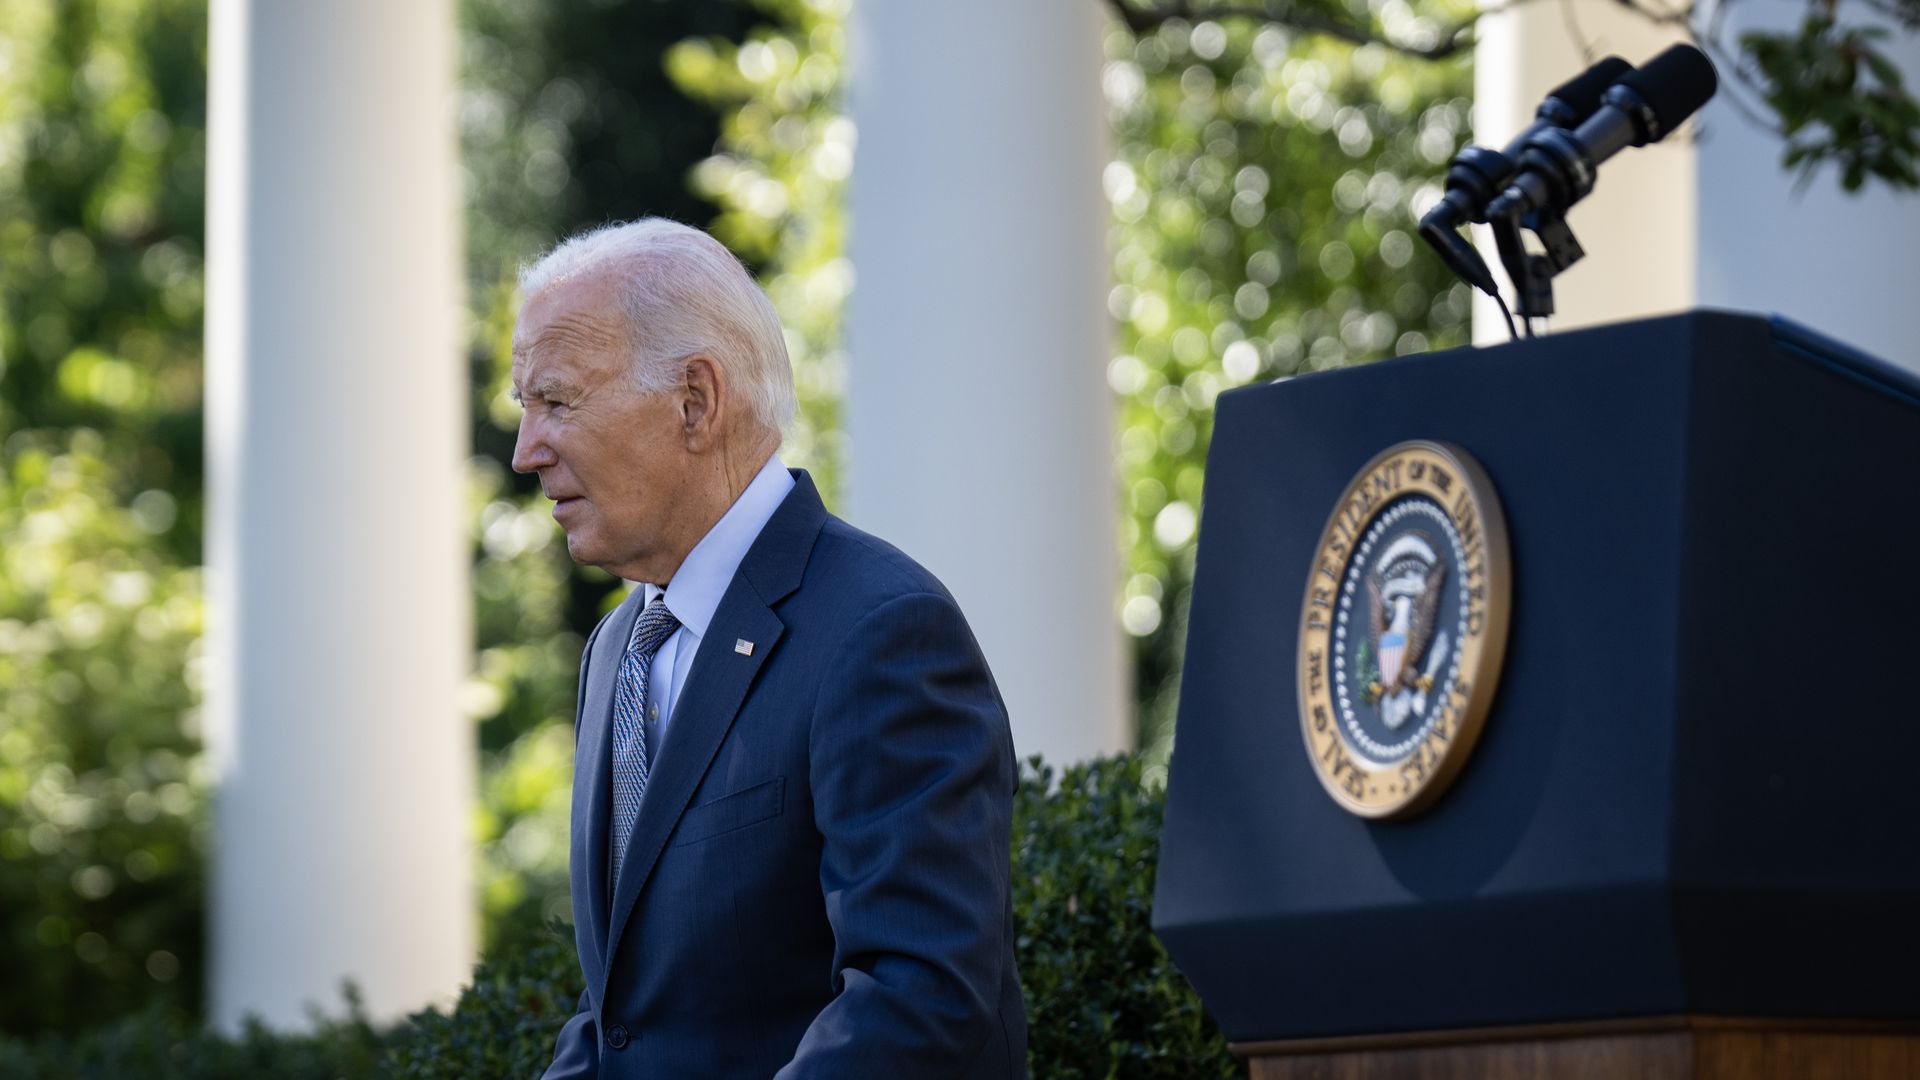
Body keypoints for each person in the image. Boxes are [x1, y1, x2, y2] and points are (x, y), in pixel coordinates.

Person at [512, 218, 1027, 1078]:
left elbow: (919, 997)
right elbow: (622, 1019)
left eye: (557, 402)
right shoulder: (616, 649)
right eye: (524, 406)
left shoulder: (883, 630)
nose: (526, 451)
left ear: (695, 401)